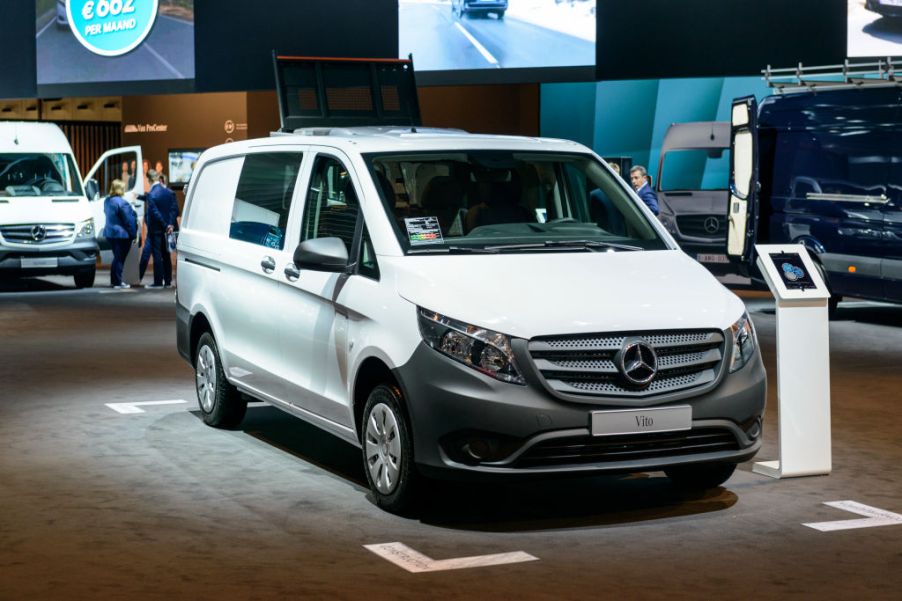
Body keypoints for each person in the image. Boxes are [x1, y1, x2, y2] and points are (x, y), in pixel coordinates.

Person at [139, 170, 178, 288]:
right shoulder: (168, 192)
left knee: (157, 255)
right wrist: (170, 224)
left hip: (156, 229)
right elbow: (173, 209)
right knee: (166, 255)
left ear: (149, 180)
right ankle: (167, 281)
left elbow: (155, 213)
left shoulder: (151, 194)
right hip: (167, 229)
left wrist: (165, 225)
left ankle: (157, 282)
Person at [102, 179, 137, 289]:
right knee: (119, 258)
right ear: (120, 189)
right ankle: (117, 282)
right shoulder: (123, 203)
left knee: (117, 257)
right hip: (121, 235)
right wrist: (134, 234)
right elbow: (129, 221)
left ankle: (114, 281)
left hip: (109, 234)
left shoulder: (107, 201)